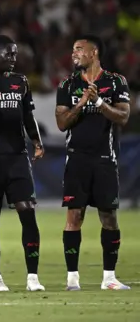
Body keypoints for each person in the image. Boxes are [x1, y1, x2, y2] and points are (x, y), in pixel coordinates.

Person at [55, 35, 131, 291]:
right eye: (73, 49)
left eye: (79, 49)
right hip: (76, 158)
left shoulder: (115, 81)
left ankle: (109, 278)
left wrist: (99, 101)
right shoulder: (67, 84)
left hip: (105, 159)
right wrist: (83, 102)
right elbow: (62, 123)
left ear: (94, 52)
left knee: (109, 217)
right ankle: (72, 279)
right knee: (74, 216)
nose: (73, 53)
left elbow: (122, 117)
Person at [0, 35, 45, 292]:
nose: (15, 59)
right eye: (10, 54)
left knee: (27, 210)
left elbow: (28, 115)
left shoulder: (20, 82)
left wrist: (37, 142)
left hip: (18, 157)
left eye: (15, 54)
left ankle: (33, 277)